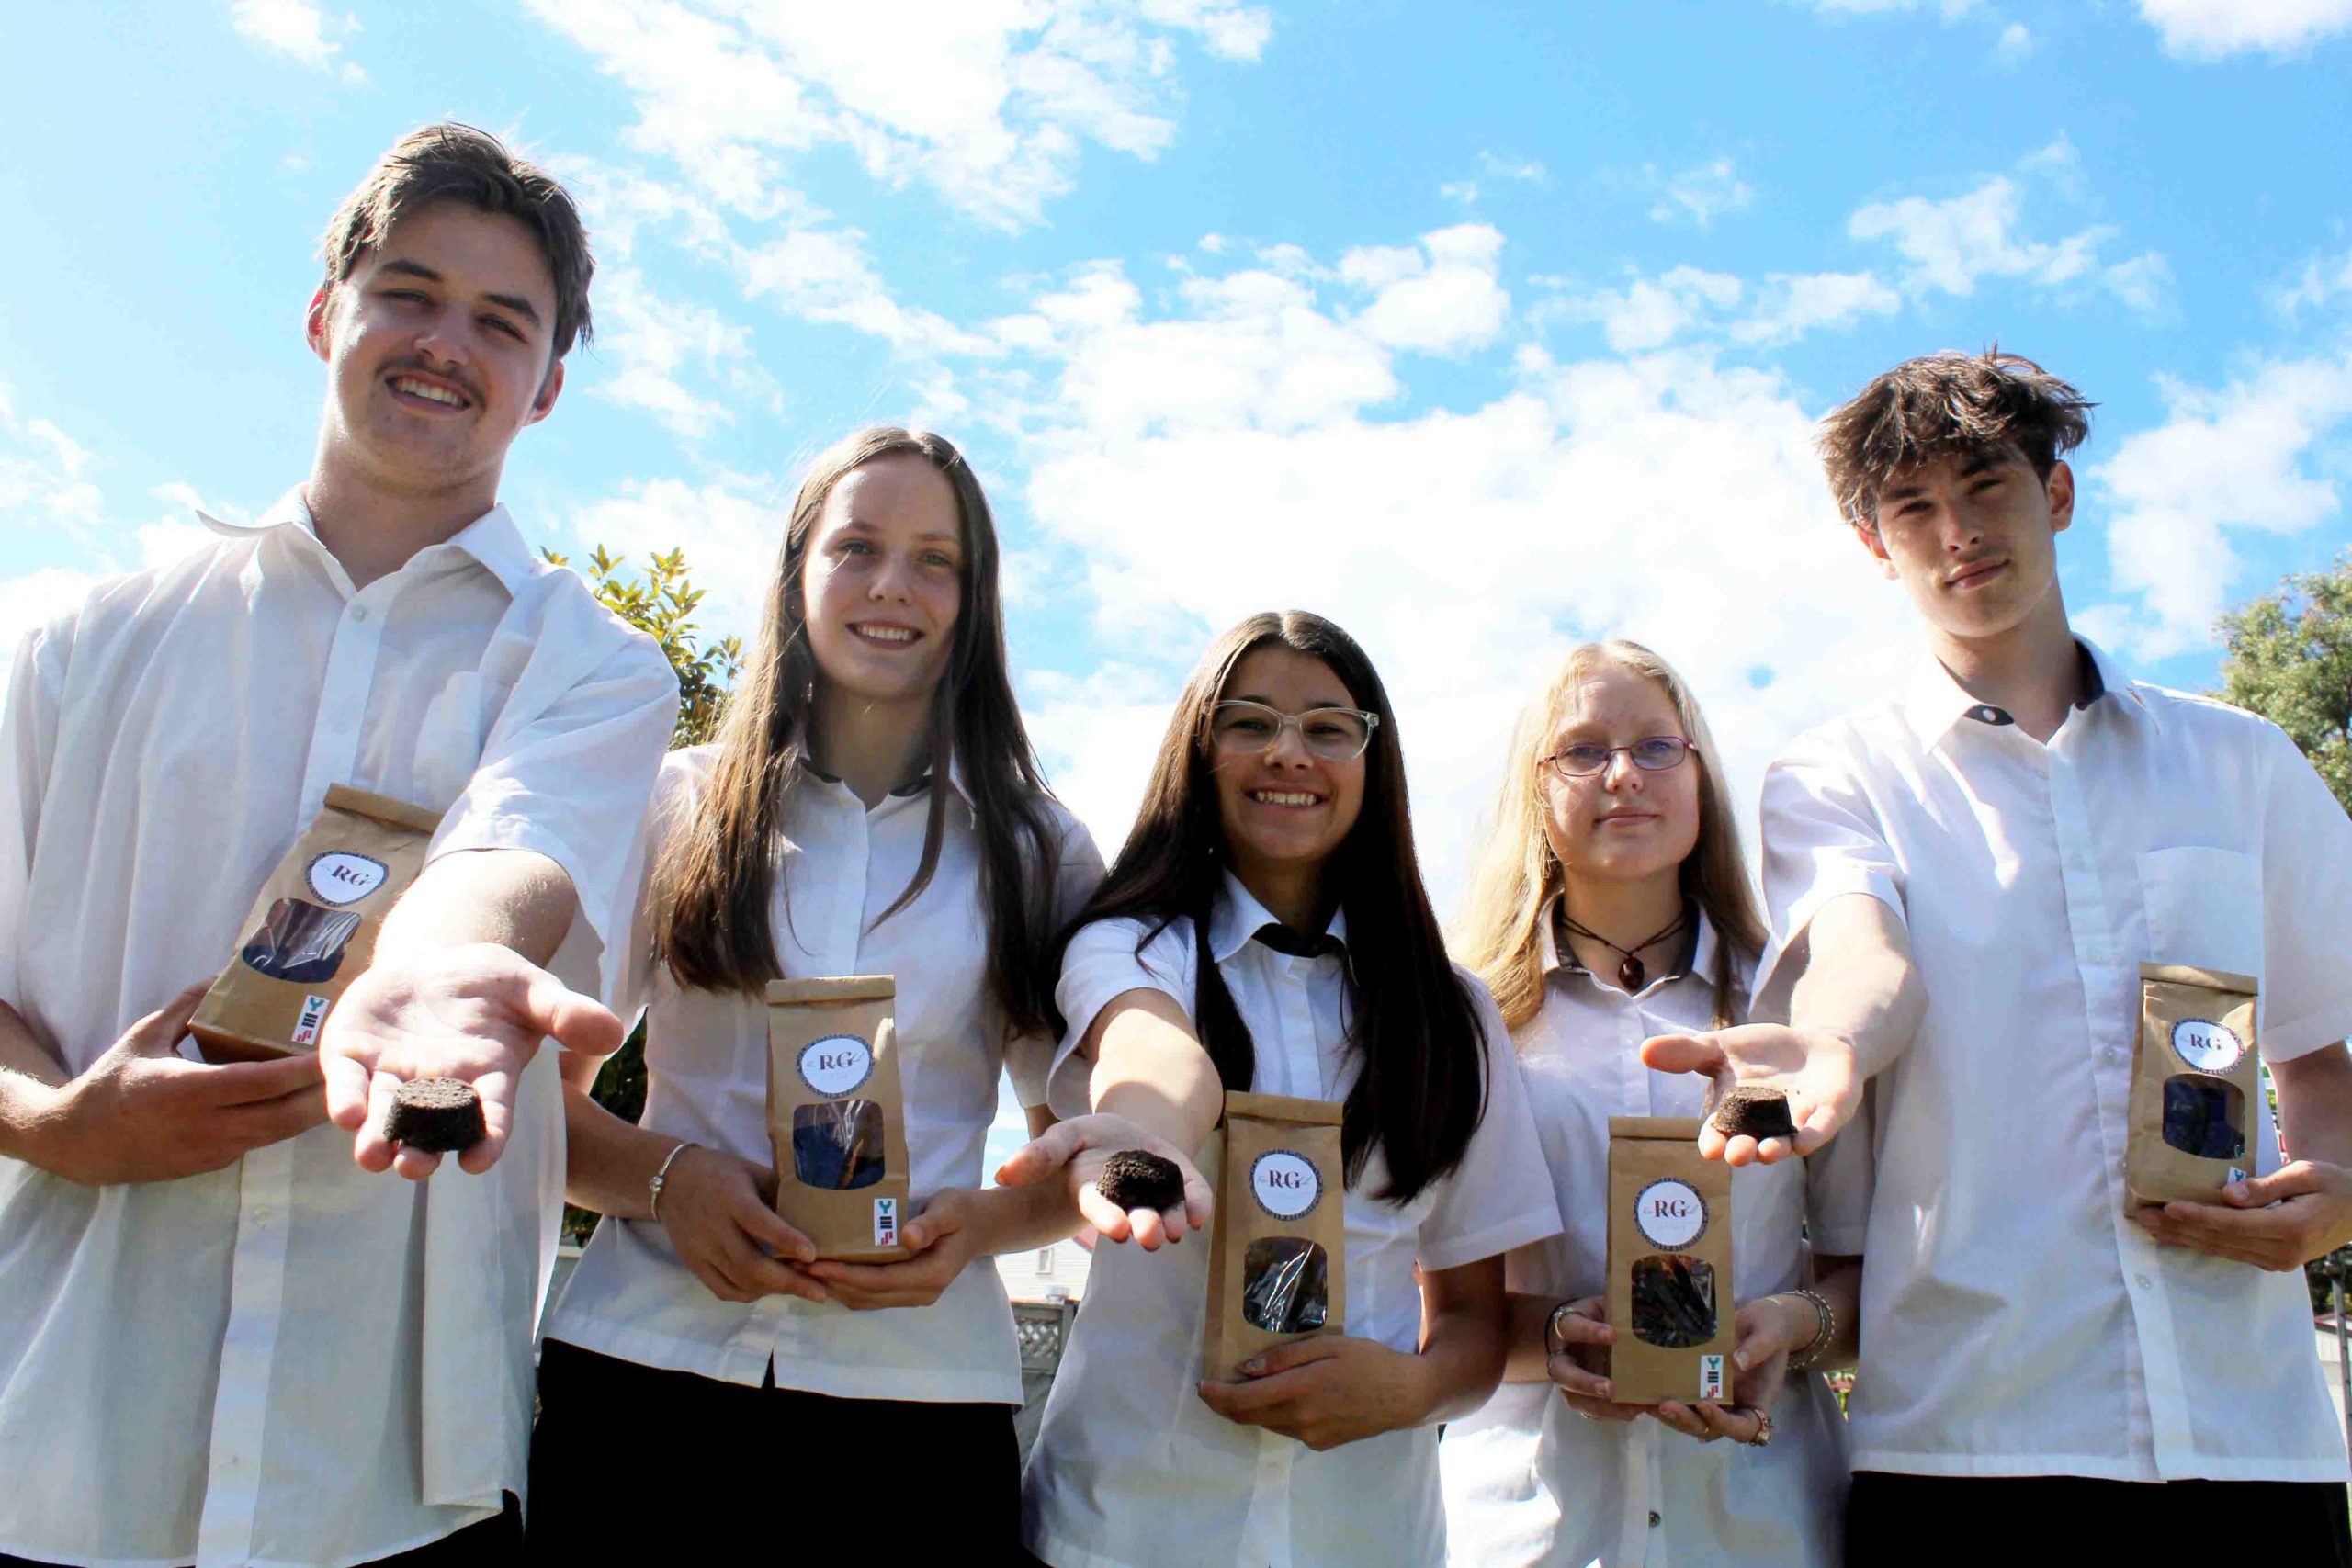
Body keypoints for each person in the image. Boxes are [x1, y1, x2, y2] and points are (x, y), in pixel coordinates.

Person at [0, 124, 676, 1565]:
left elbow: (521, 843)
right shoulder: (79, 635)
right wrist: (58, 1121)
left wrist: (434, 965)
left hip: (385, 1484)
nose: (447, 344)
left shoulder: (593, 665)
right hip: (51, 1440)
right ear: (327, 314)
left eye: (503, 322)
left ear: (548, 385)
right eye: (409, 293)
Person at [1647, 350, 2352, 1562]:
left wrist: (2340, 1189)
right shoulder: (1836, 773)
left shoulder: (2247, 765)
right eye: (1911, 507)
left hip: (2256, 1441)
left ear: (2058, 494)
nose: (1957, 532)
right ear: (1875, 544)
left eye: (1985, 485)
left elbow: (2324, 1049)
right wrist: (1831, 1043)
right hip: (1966, 1451)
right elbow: (1864, 955)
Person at [529, 427, 1143, 1560]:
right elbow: (536, 1108)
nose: (891, 588)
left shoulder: (1037, 847)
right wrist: (670, 1182)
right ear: (797, 572)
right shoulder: (675, 805)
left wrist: (982, 1229)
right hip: (641, 1379)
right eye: (856, 546)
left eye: (934, 560)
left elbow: (1085, 1162)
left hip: (919, 1411)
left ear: (976, 596)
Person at [1008, 610, 1563, 1568]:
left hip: (1367, 1534)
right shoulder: (1130, 947)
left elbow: (1474, 1317)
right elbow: (1149, 1054)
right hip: (1124, 1526)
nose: (1289, 754)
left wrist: (1408, 1391)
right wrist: (1140, 1147)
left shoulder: (1452, 1017)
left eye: (1326, 728)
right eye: (1250, 722)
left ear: (1370, 756)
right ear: (1201, 747)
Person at [1440, 639, 1861, 1566]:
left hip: (1764, 1524)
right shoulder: (1464, 1016)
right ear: (1535, 791)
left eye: (1656, 747)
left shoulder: (1795, 1006)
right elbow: (1430, 1305)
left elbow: (1870, 1277)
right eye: (1582, 751)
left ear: (1699, 776)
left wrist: (1792, 1327)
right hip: (1526, 1530)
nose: (1623, 775)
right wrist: (1554, 1334)